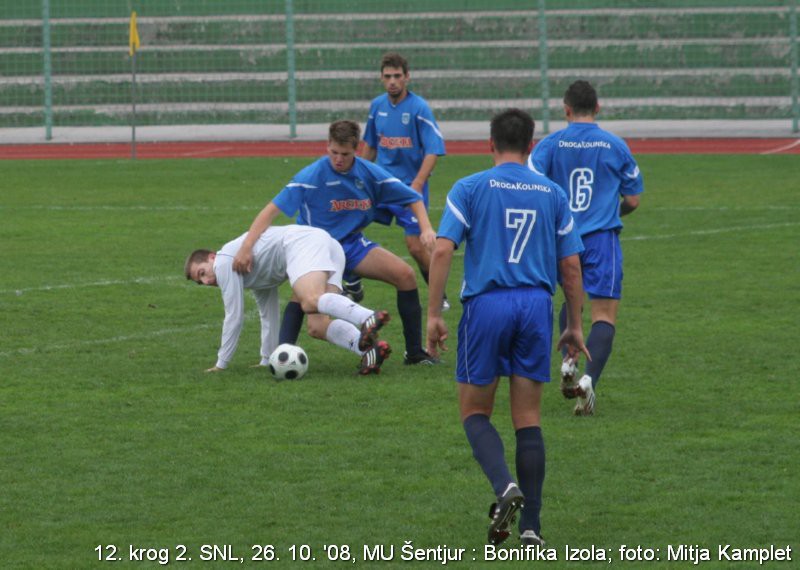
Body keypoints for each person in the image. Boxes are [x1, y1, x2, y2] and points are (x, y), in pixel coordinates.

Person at [426, 109, 589, 546]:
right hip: (536, 306)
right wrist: (574, 325)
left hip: (487, 305)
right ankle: (532, 526)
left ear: (490, 144)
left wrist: (434, 314)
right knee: (528, 418)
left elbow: (442, 251)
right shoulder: (552, 193)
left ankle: (504, 488)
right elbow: (570, 267)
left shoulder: (471, 187)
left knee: (475, 412)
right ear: (532, 146)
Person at [233, 119, 440, 366]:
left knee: (405, 275)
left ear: (357, 150)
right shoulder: (311, 175)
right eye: (333, 152)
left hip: (352, 244)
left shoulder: (369, 173)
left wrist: (426, 228)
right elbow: (271, 210)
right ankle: (283, 356)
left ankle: (415, 353)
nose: (338, 159)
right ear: (327, 146)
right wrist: (246, 247)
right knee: (312, 317)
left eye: (345, 154)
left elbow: (413, 198)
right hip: (315, 249)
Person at [528, 79, 644, 416]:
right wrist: (611, 210)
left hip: (562, 239)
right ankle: (589, 380)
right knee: (604, 315)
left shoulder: (549, 146)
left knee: (570, 301)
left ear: (565, 110)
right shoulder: (615, 146)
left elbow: (535, 190)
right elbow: (633, 200)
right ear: (598, 108)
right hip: (601, 240)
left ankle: (568, 360)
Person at [185, 225, 392, 375]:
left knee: (311, 300)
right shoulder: (250, 274)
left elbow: (234, 316)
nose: (207, 281)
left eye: (203, 272)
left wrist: (221, 364)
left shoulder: (223, 262)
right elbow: (268, 314)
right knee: (317, 325)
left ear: (212, 257)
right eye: (200, 281)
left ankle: (367, 317)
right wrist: (267, 359)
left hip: (303, 243)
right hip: (328, 244)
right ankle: (368, 350)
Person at [352, 52, 448, 308]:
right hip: (381, 185)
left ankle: (439, 295)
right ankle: (350, 278)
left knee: (416, 247)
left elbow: (433, 149)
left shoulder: (419, 108)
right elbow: (370, 146)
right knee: (350, 220)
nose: (392, 81)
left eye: (397, 76)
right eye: (387, 76)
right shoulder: (377, 107)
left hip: (408, 188)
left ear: (407, 77)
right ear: (381, 79)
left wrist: (417, 184)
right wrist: (356, 177)